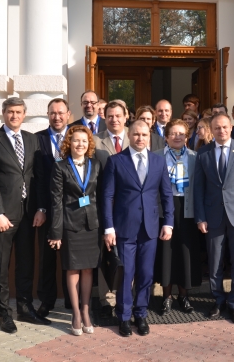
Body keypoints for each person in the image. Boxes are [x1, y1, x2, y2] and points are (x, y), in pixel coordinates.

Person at [0, 98, 48, 334]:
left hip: (29, 213)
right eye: (10, 112)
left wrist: (41, 208)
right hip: (4, 215)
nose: (14, 116)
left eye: (18, 112)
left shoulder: (32, 139)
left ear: (24, 114)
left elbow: (39, 177)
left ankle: (25, 308)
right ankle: (4, 313)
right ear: (3, 113)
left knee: (26, 263)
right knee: (1, 265)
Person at [101, 120, 175, 337]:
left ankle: (141, 313)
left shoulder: (158, 161)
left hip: (150, 228)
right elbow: (107, 196)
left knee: (146, 273)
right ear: (129, 135)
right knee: (126, 274)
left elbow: (166, 194)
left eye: (144, 134)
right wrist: (108, 228)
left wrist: (168, 222)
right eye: (136, 134)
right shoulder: (116, 161)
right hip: (124, 227)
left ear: (149, 137)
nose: (140, 138)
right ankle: (124, 316)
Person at [194, 113, 234, 325]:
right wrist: (200, 217)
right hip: (212, 216)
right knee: (215, 262)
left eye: (224, 127)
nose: (221, 131)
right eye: (217, 128)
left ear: (231, 127)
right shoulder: (203, 153)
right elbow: (198, 188)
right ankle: (218, 300)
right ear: (211, 130)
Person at [48, 126, 104, 336]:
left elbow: (100, 196)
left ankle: (86, 311)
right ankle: (76, 314)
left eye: (84, 141)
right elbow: (56, 201)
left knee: (88, 269)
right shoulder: (60, 167)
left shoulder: (96, 165)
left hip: (91, 225)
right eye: (76, 140)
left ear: (89, 144)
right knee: (72, 269)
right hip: (70, 225)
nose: (80, 144)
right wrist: (56, 232)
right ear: (68, 143)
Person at [154, 119, 201, 315]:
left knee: (185, 253)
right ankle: (166, 297)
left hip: (188, 209)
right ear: (166, 137)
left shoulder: (195, 157)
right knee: (166, 253)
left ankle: (184, 296)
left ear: (187, 137)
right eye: (173, 133)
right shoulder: (156, 156)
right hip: (164, 209)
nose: (177, 137)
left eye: (181, 133)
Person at [33, 98, 72, 317]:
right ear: (48, 115)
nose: (57, 117)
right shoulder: (37, 139)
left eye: (60, 113)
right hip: (48, 208)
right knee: (46, 257)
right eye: (52, 113)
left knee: (71, 255)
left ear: (68, 114)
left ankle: (71, 299)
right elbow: (36, 178)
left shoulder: (77, 137)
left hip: (73, 207)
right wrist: (41, 208)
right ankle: (46, 300)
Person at [93, 100, 130, 318]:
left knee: (128, 251)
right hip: (103, 204)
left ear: (126, 117)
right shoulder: (95, 140)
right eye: (110, 116)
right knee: (105, 252)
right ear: (104, 118)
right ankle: (105, 299)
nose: (114, 119)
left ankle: (126, 295)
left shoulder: (136, 137)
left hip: (129, 206)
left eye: (118, 115)